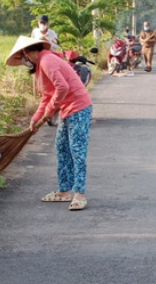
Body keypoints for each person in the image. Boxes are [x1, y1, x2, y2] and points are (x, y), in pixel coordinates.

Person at [6, 36, 93, 211]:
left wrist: (50, 111)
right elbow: (48, 95)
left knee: (77, 150)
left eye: (24, 56)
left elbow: (63, 88)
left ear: (30, 51)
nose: (25, 60)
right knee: (61, 147)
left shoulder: (47, 60)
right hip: (67, 109)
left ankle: (80, 194)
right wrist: (35, 118)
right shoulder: (40, 67)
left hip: (79, 107)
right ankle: (64, 191)